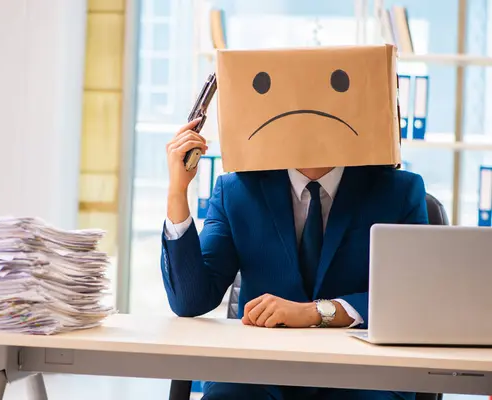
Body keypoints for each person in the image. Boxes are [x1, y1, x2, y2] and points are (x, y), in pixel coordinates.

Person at [160, 118, 429, 400]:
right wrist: (177, 192)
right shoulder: (237, 190)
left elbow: (411, 301)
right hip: (260, 373)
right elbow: (191, 300)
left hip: (363, 372)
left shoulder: (399, 191)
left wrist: (315, 312)